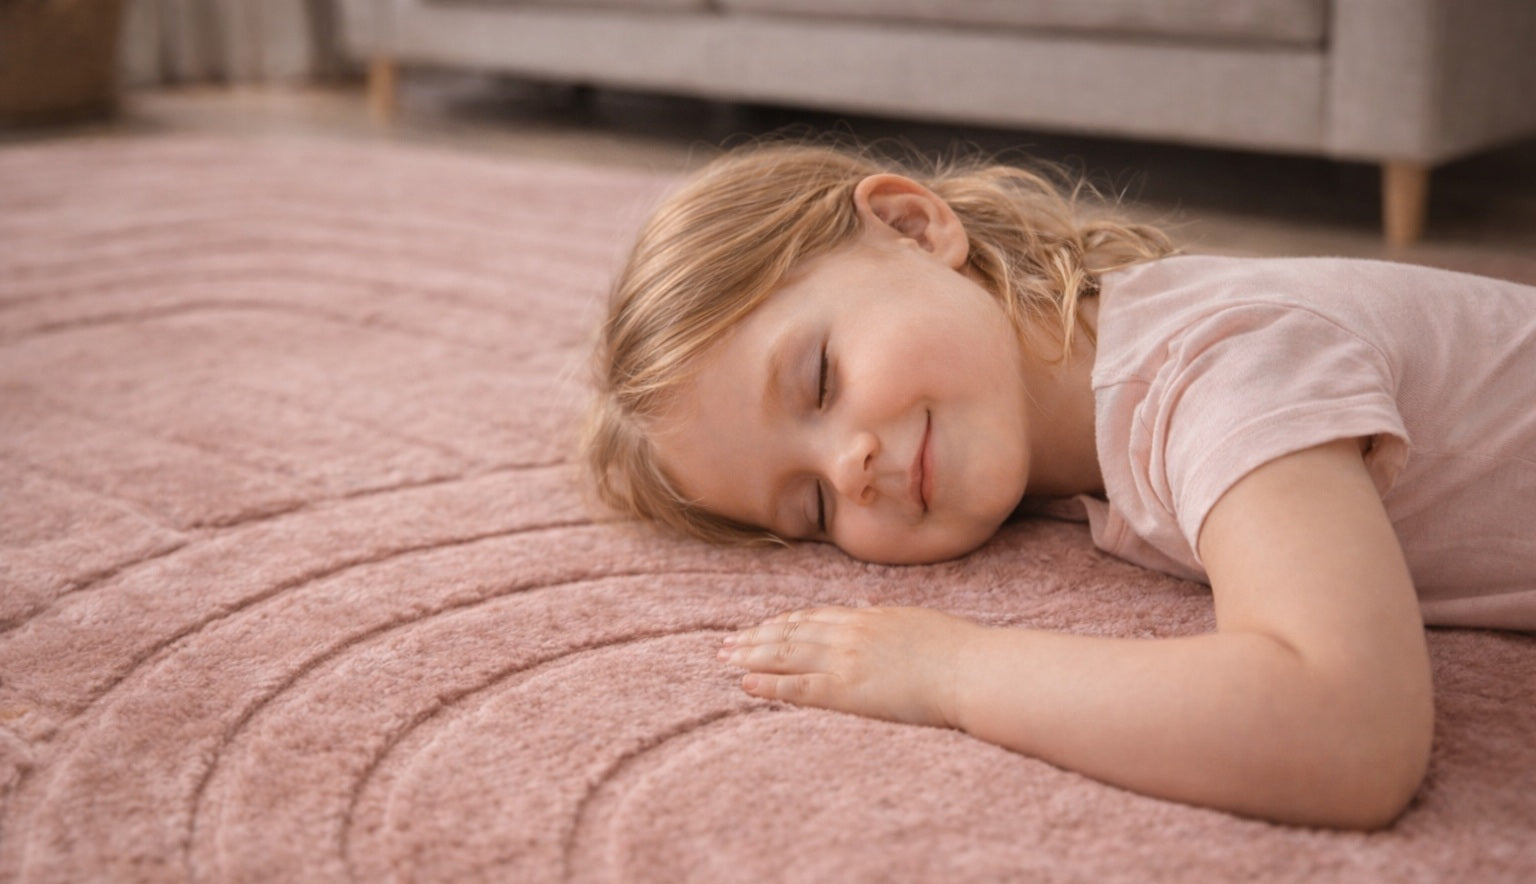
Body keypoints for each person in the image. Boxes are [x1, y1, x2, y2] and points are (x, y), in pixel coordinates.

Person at [583, 141, 1536, 830]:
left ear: (914, 229)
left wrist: (951, 671)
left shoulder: (1216, 369)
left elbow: (1347, 731)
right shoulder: (1067, 427)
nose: (847, 467)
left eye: (820, 380)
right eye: (812, 508)